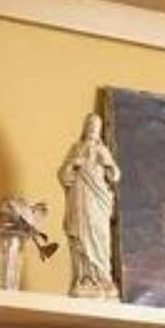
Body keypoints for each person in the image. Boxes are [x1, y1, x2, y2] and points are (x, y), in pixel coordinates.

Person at [58, 112, 121, 299]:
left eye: (96, 126)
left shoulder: (104, 151)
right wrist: (73, 164)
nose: (93, 128)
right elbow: (63, 176)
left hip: (98, 199)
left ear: (100, 130)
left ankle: (102, 277)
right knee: (82, 236)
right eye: (90, 125)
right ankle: (85, 277)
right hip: (80, 198)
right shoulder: (76, 148)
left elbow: (115, 176)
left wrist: (107, 163)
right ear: (85, 128)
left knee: (100, 236)